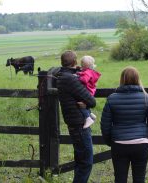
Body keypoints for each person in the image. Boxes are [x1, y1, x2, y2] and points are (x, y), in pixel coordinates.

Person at [100, 66, 148, 183]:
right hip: (142, 144)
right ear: (138, 79)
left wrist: (109, 141)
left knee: (120, 178)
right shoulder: (146, 98)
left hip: (119, 143)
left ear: (122, 79)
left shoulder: (112, 99)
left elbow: (105, 124)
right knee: (139, 178)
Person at [55, 50, 96, 183]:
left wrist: (77, 70)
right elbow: (91, 101)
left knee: (80, 160)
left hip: (74, 123)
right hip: (80, 125)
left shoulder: (61, 76)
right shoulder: (70, 79)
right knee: (86, 162)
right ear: (75, 61)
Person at [76, 56, 101, 129]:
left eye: (82, 65)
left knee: (81, 105)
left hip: (87, 91)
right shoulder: (91, 71)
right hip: (90, 91)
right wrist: (80, 72)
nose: (81, 66)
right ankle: (90, 114)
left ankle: (88, 118)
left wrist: (77, 77)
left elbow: (84, 80)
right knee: (84, 104)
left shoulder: (87, 73)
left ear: (85, 66)